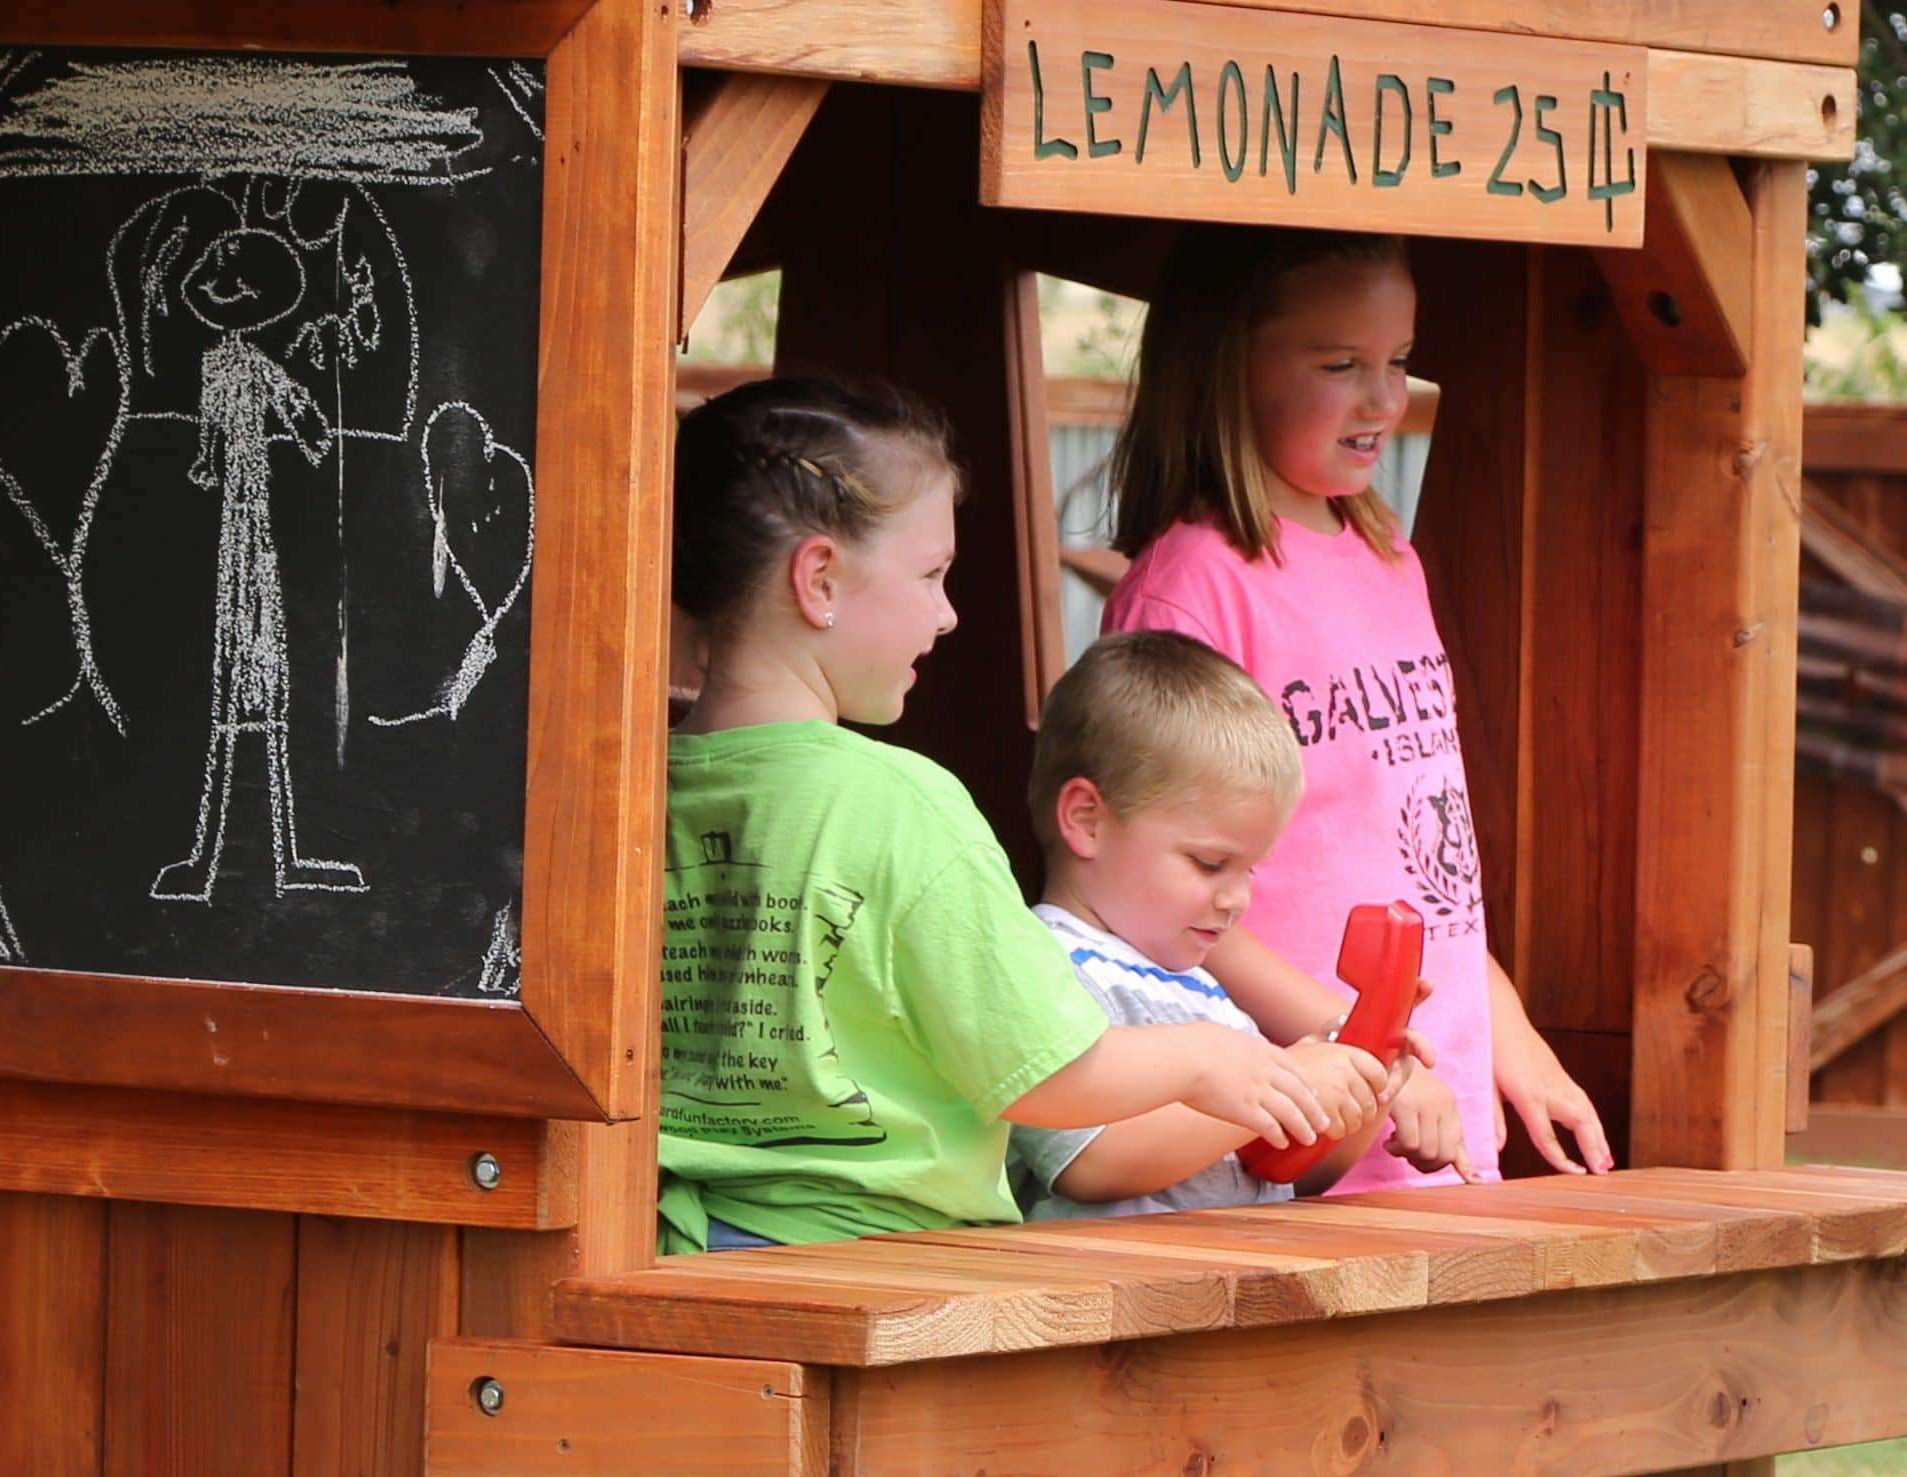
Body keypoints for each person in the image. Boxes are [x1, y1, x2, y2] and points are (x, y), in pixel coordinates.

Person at [656, 376, 1386, 1256]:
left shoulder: (643, 795)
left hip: (681, 1245)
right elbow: (1046, 1069)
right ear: (819, 579)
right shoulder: (901, 805)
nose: (948, 614)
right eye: (931, 575)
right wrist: (1211, 1057)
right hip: (878, 1263)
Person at [1102, 226, 1614, 1189]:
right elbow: (1155, 892)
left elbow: (1425, 863)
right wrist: (1355, 1044)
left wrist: (1512, 1035)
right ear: (1227, 365)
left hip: (1436, 1112)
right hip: (1303, 1135)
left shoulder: (1389, 559)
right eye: (1341, 364)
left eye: (1400, 361)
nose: (1385, 399)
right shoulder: (1193, 589)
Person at [1010, 631, 1438, 1219]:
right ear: (1087, 821)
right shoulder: (1040, 965)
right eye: (1209, 864)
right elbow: (1090, 1161)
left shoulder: (1206, 994)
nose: (1237, 899)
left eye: (1250, 870)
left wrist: (1361, 1085)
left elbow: (1287, 1173)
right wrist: (1273, 1086)